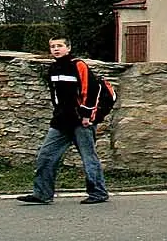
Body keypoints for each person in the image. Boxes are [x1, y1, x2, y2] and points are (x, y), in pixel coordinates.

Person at [16, 36, 109, 205]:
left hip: (81, 121)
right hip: (61, 121)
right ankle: (42, 193)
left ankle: (98, 193)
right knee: (46, 155)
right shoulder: (53, 68)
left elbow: (90, 90)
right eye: (52, 46)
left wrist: (87, 116)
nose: (56, 49)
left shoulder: (78, 65)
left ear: (69, 48)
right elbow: (56, 96)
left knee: (89, 157)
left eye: (60, 46)